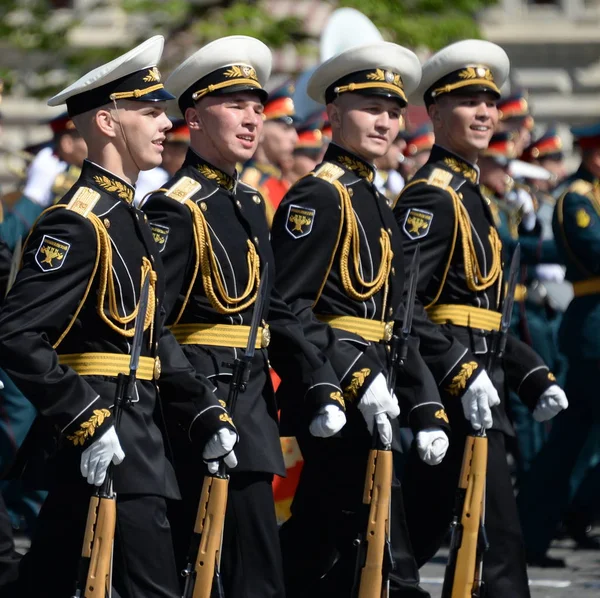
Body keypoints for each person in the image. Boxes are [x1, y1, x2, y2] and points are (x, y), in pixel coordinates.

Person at [0, 36, 238, 597]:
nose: (166, 125)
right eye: (151, 112)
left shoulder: (126, 219)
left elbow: (151, 338)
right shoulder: (77, 223)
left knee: (52, 578)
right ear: (108, 122)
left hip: (135, 430)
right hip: (103, 430)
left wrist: (202, 410)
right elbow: (15, 332)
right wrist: (85, 415)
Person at [142, 35, 343, 598]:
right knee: (194, 564)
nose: (252, 119)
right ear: (195, 116)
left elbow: (271, 306)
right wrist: (196, 404)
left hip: (250, 401)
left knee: (257, 569)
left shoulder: (250, 202)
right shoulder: (174, 207)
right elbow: (150, 324)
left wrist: (318, 377)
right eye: (235, 105)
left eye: (257, 108)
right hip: (196, 407)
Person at [270, 40, 452, 598]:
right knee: (374, 552)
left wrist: (426, 400)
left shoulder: (372, 198)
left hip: (381, 391)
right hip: (336, 396)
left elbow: (401, 318)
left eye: (394, 111)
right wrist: (350, 377)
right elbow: (287, 306)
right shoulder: (318, 196)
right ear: (331, 115)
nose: (386, 122)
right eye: (371, 108)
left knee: (328, 546)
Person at [393, 40, 569, 597]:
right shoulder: (432, 197)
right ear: (437, 112)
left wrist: (529, 369)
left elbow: (484, 311)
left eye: (490, 102)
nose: (485, 113)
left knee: (427, 532)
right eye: (468, 101)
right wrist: (460, 373)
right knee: (493, 543)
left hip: (484, 383)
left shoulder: (473, 195)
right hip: (450, 391)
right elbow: (405, 306)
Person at [517, 121, 600, 565]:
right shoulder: (577, 200)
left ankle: (541, 529)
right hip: (592, 333)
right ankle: (538, 528)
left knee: (568, 446)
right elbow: (594, 250)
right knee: (565, 445)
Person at [240, 81, 298, 225]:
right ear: (261, 130)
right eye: (286, 129)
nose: (295, 138)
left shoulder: (282, 181)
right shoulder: (251, 184)